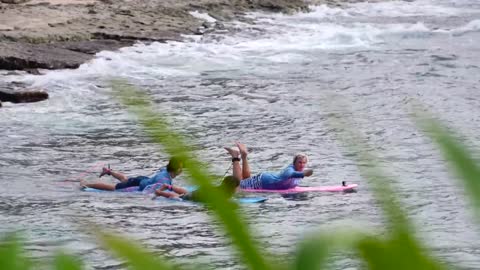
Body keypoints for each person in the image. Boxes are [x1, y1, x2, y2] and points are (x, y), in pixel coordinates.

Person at [152, 147, 242, 202]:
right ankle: (159, 192)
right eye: (236, 187)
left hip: (200, 193)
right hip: (197, 196)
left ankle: (169, 187)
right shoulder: (223, 196)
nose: (236, 189)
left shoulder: (221, 191)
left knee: (186, 193)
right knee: (180, 197)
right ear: (231, 188)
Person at [232, 142, 313, 190]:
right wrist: (303, 174)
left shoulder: (300, 169)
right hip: (262, 182)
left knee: (246, 179)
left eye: (303, 163)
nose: (302, 165)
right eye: (299, 162)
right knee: (238, 185)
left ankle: (244, 157)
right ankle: (235, 156)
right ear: (294, 163)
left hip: (266, 179)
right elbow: (290, 175)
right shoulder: (290, 169)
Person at [80, 156, 183, 192]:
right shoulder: (163, 180)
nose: (182, 169)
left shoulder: (166, 171)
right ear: (175, 169)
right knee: (112, 188)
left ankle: (108, 171)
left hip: (142, 180)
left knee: (125, 179)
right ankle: (87, 184)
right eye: (180, 167)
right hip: (138, 184)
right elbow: (158, 191)